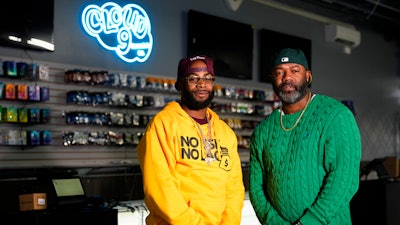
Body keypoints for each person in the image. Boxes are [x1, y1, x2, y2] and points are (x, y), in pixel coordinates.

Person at [249, 48, 362, 225]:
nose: (287, 77)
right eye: (280, 72)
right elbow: (256, 188)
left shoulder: (335, 115)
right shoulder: (262, 131)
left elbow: (344, 178)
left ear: (308, 76)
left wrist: (309, 221)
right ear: (273, 79)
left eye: (294, 70)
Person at [137, 55, 245, 224]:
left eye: (207, 79)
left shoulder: (225, 132)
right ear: (180, 84)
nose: (202, 84)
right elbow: (159, 187)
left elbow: (234, 188)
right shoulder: (163, 124)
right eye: (193, 78)